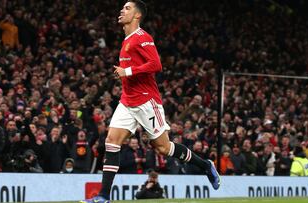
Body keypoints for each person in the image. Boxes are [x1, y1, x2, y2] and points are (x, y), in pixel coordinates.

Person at [80, 1, 220, 202]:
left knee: (163, 148)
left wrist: (126, 71)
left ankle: (205, 165)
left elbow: (156, 64)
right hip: (128, 101)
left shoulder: (142, 37)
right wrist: (124, 76)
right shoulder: (126, 40)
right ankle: (103, 197)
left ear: (137, 15)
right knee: (111, 142)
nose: (122, 10)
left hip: (147, 102)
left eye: (127, 8)